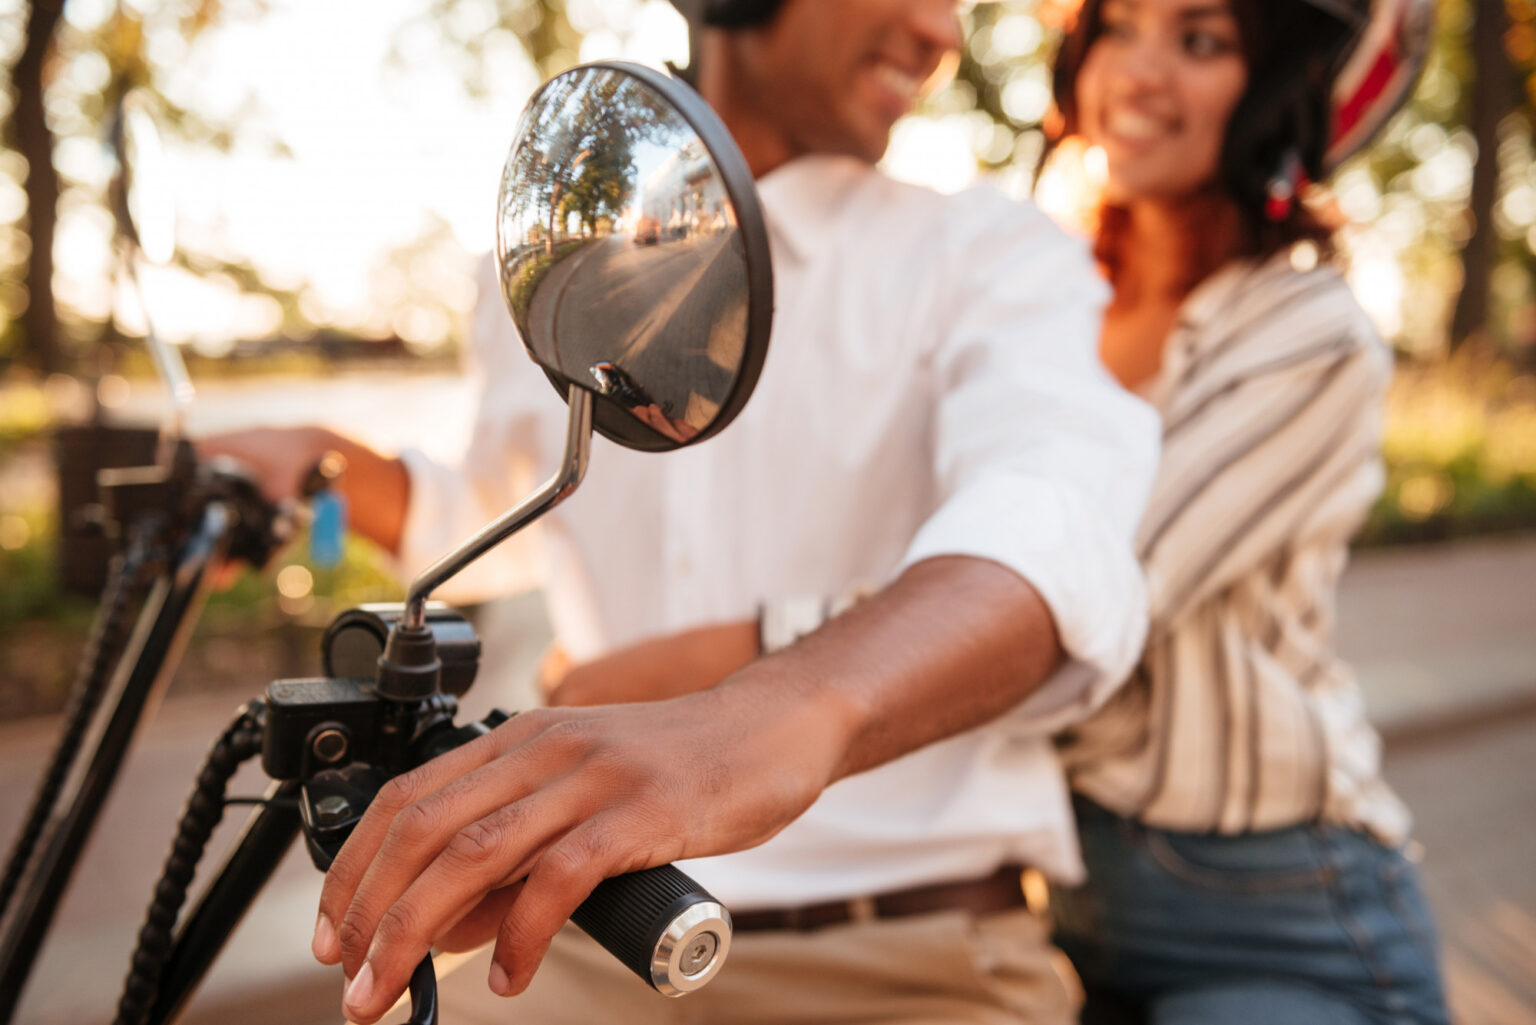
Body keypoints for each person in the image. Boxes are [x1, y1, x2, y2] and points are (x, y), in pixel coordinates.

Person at [202, 1, 1160, 1022]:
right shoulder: (543, 266)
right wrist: (325, 462)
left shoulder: (991, 255)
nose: (938, 32)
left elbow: (1048, 534)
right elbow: (496, 505)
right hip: (570, 946)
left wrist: (757, 716)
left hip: (908, 960)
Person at [553, 0, 1453, 1022]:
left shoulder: (1304, 329)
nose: (1139, 75)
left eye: (1200, 41)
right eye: (1118, 29)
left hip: (1268, 905)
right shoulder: (1059, 283)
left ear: (1276, 92)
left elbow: (1089, 571)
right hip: (1065, 901)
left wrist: (703, 664)